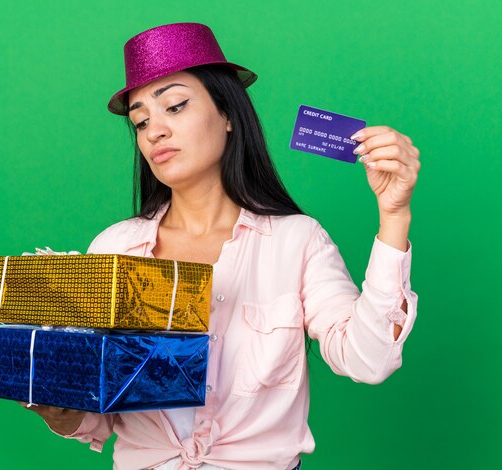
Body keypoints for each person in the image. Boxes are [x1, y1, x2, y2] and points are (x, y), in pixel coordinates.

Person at [22, 22, 420, 470]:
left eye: (175, 105)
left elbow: (370, 359)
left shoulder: (297, 240)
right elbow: (98, 417)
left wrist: (393, 216)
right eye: (140, 121)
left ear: (228, 114)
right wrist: (58, 406)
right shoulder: (114, 248)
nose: (154, 131)